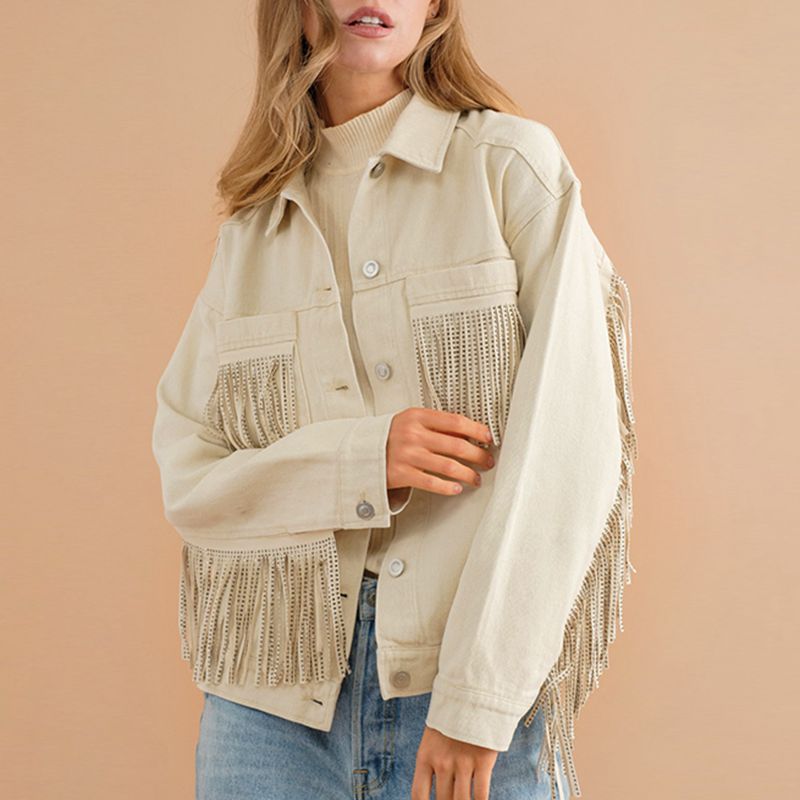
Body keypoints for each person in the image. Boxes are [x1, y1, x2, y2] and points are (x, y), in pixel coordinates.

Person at [151, 1, 639, 799]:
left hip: (460, 676)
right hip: (268, 703)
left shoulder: (507, 167)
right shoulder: (253, 226)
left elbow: (574, 447)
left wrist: (479, 699)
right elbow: (190, 474)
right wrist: (360, 461)